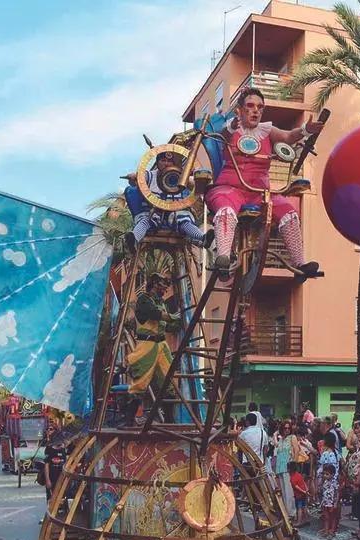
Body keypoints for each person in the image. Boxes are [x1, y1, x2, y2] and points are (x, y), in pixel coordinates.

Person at [207, 87, 322, 278]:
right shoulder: (230, 127)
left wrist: (305, 130)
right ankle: (224, 257)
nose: (255, 111)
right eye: (250, 106)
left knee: (289, 213)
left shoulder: (267, 130)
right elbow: (224, 137)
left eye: (260, 107)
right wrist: (233, 126)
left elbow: (288, 137)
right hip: (230, 188)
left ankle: (300, 263)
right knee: (226, 210)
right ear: (240, 110)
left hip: (260, 193)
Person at [125, 273, 182, 423]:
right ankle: (129, 419)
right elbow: (154, 314)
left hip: (162, 346)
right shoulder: (144, 300)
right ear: (155, 284)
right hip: (146, 346)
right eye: (163, 285)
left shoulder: (161, 302)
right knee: (140, 383)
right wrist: (173, 317)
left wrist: (177, 322)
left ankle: (170, 420)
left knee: (168, 381)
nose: (165, 289)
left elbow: (166, 325)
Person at [318, 464, 338, 539]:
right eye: (324, 474)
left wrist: (335, 502)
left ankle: (332, 531)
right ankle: (326, 530)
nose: (325, 476)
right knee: (326, 517)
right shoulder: (325, 482)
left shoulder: (334, 482)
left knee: (332, 517)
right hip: (325, 502)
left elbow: (336, 493)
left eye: (327, 474)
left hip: (331, 502)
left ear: (332, 474)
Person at [288, 461, 309, 528]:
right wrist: (306, 490)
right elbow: (303, 482)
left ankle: (299, 522)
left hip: (299, 495)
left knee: (299, 508)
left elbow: (296, 487)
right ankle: (306, 519)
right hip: (304, 493)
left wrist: (303, 491)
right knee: (304, 506)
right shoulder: (298, 474)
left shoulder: (292, 478)